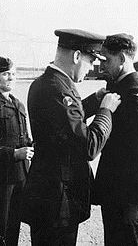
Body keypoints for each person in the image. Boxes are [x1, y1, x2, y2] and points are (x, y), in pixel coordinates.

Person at [21, 29, 121, 246]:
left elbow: (63, 124)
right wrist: (105, 112)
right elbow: (88, 147)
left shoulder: (46, 83)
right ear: (76, 56)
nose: (93, 67)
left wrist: (93, 102)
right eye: (91, 60)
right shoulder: (60, 90)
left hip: (48, 196)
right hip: (58, 203)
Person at [94, 34, 138, 246]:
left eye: (106, 59)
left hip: (128, 198)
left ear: (122, 58)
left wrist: (136, 202)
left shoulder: (135, 92)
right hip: (115, 193)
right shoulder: (117, 87)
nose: (101, 65)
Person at [0, 57, 34, 246]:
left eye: (13, 74)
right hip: (2, 179)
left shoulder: (18, 104)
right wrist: (13, 154)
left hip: (20, 176)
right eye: (5, 74)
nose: (11, 78)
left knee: (13, 228)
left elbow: (25, 138)